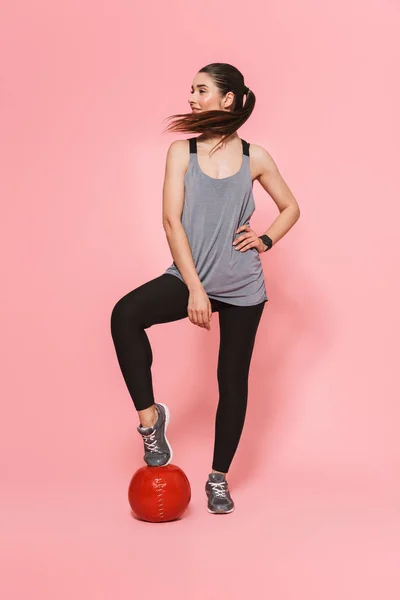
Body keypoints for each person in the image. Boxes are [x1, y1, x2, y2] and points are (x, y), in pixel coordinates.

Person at [110, 62, 300, 515]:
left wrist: (266, 237)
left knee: (232, 382)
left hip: (243, 287)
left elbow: (291, 207)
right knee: (125, 315)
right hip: (190, 278)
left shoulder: (257, 158)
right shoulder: (183, 153)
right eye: (191, 89)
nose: (192, 98)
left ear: (227, 99)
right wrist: (195, 289)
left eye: (201, 90)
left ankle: (218, 478)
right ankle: (151, 421)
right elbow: (171, 221)